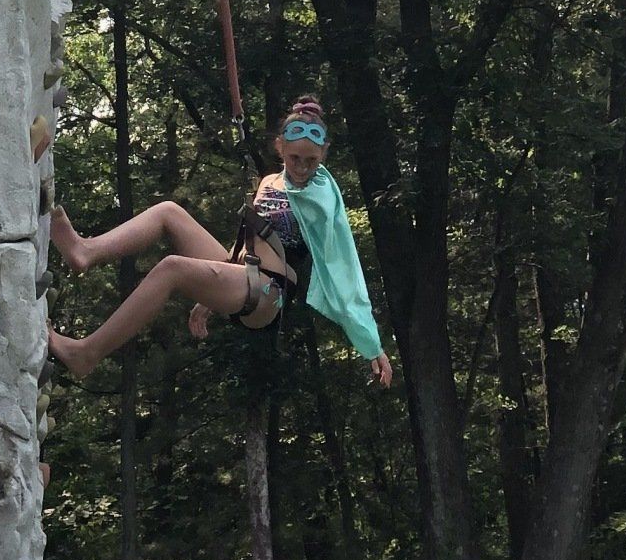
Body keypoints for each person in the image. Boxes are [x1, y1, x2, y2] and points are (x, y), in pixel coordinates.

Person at [48, 95, 395, 384]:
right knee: (169, 211)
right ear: (279, 147)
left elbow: (343, 268)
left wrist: (370, 344)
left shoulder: (321, 198)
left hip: (268, 293)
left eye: (312, 161)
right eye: (295, 158)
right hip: (243, 271)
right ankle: (84, 251)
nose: (303, 167)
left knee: (172, 269)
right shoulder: (270, 182)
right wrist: (213, 295)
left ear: (324, 156)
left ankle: (86, 354)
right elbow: (250, 244)